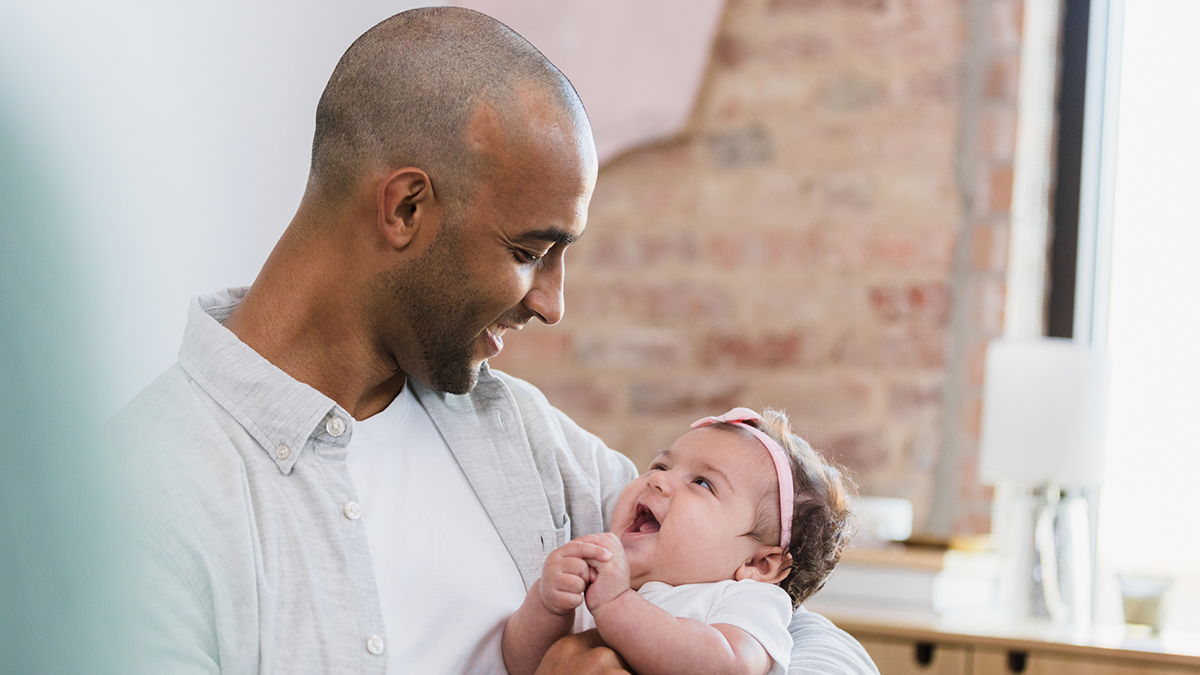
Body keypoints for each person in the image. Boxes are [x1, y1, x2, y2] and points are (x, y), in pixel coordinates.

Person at [111, 7, 879, 675]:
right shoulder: (139, 502)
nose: (552, 303)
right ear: (406, 207)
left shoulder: (522, 438)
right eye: (528, 251)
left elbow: (802, 632)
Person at [503, 408, 855, 675]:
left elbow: (731, 666)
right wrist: (548, 607)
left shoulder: (745, 600)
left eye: (702, 483)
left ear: (759, 564)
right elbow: (521, 666)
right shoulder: (600, 581)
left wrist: (616, 606)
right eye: (660, 466)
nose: (659, 482)